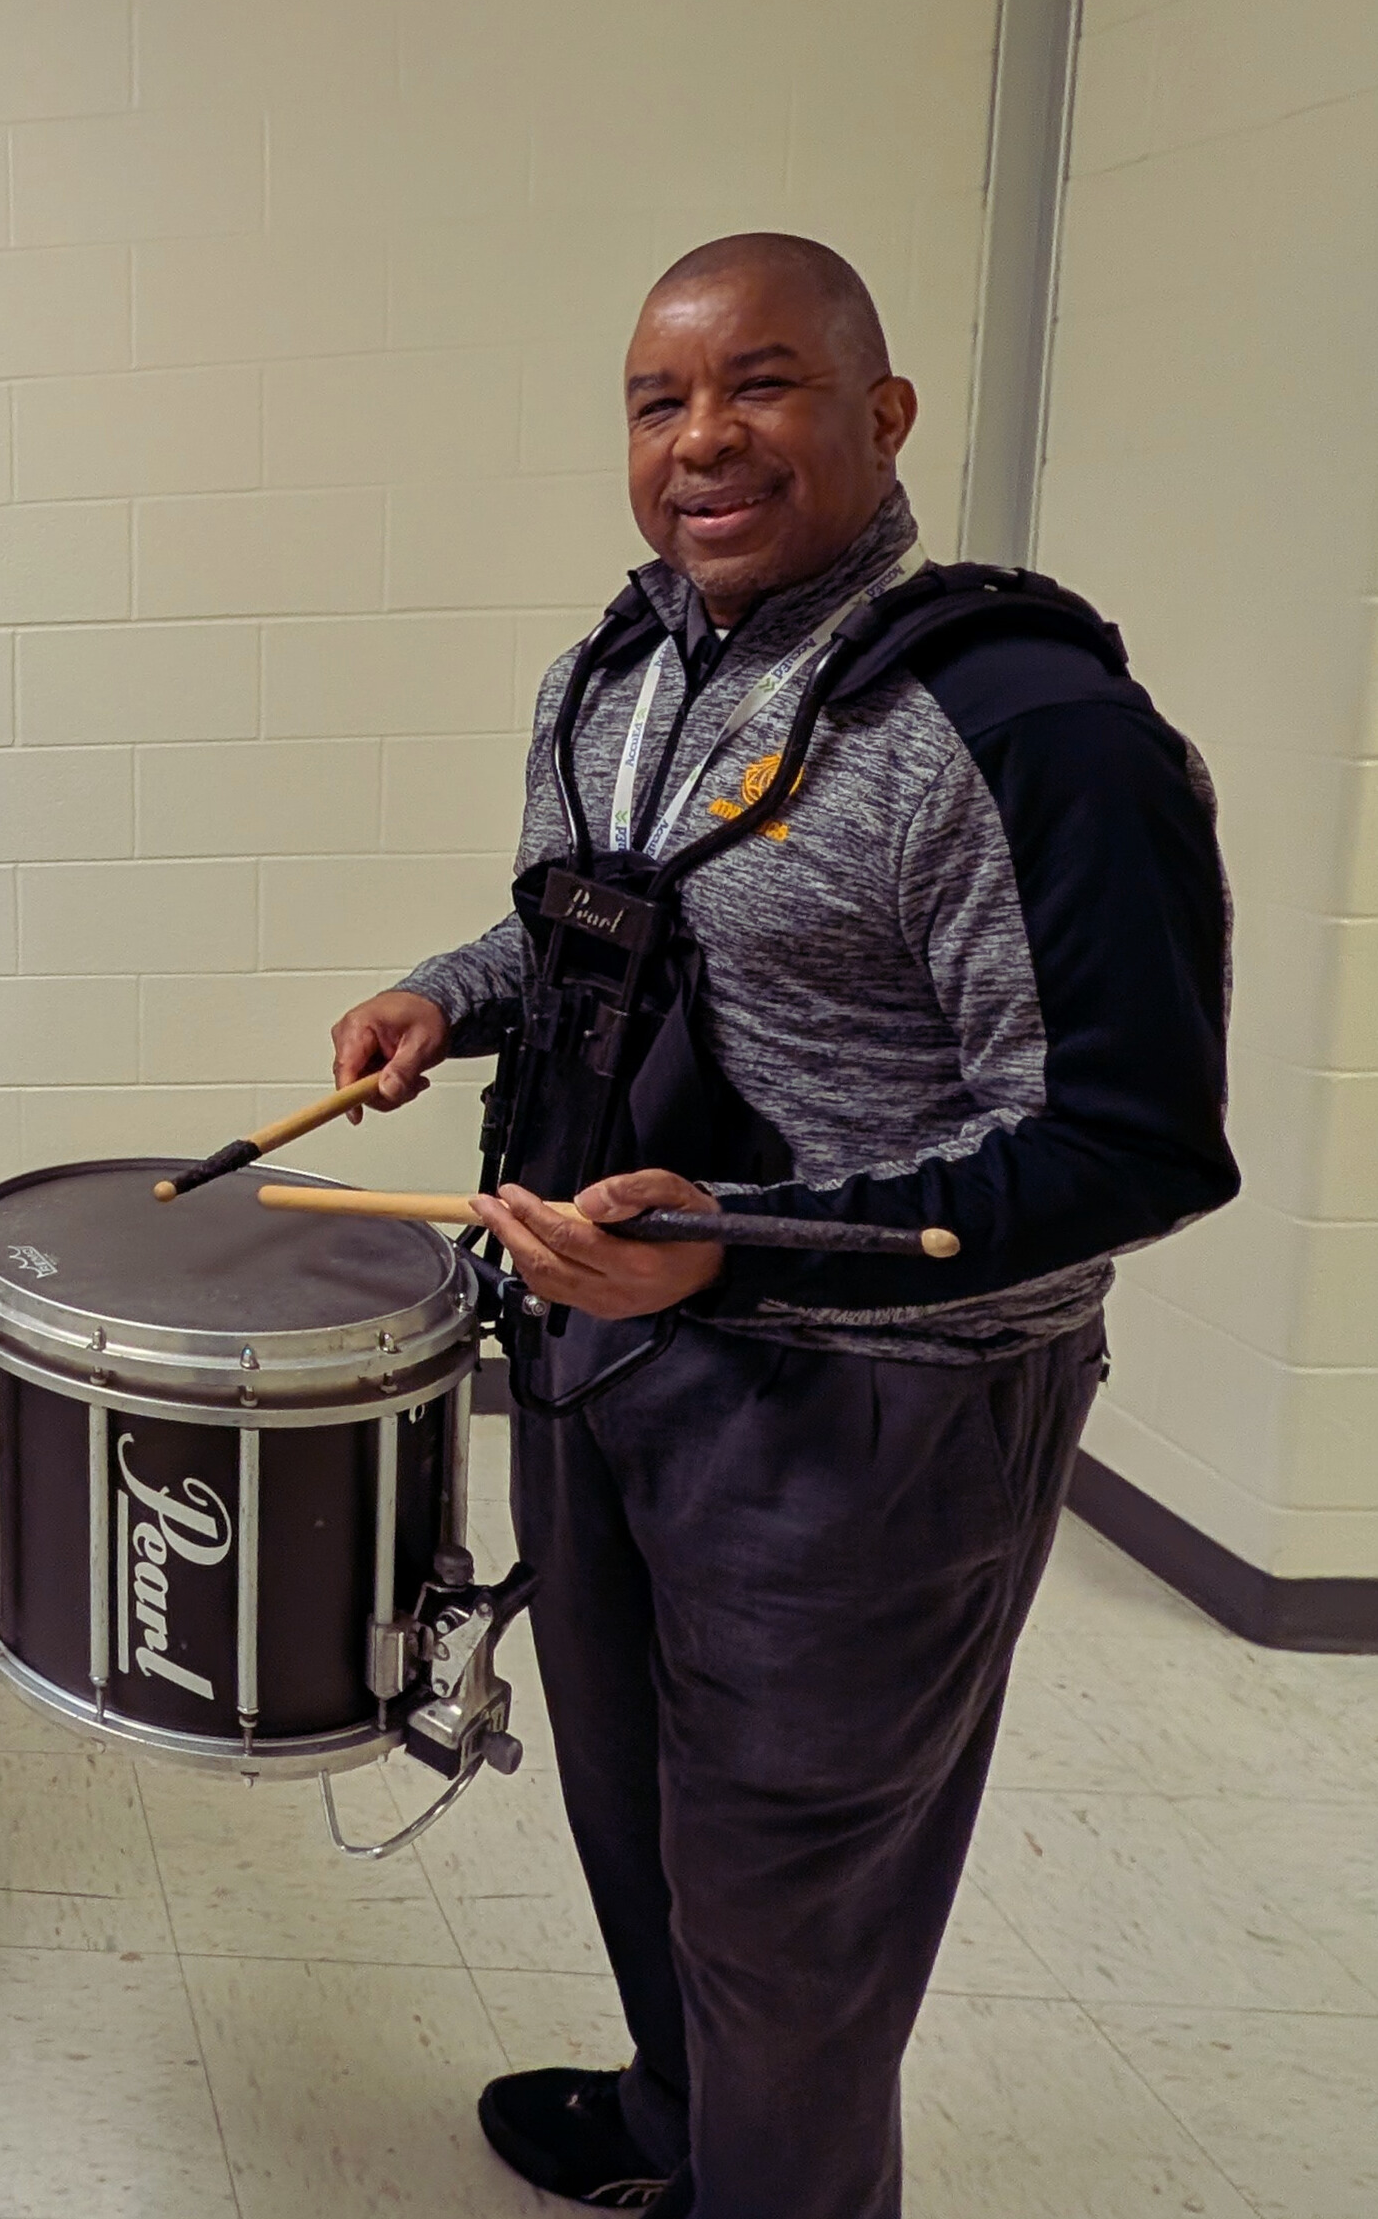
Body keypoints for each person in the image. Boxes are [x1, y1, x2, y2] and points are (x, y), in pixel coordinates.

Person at [328, 236, 1235, 2216]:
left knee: (786, 1914)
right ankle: (675, 2123)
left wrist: (728, 1246)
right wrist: (443, 994)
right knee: (636, 1822)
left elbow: (1126, 1141)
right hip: (603, 1351)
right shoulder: (618, 671)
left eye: (759, 385)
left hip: (865, 1429)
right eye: (657, 402)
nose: (699, 438)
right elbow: (591, 912)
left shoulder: (1028, 723)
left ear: (878, 415)